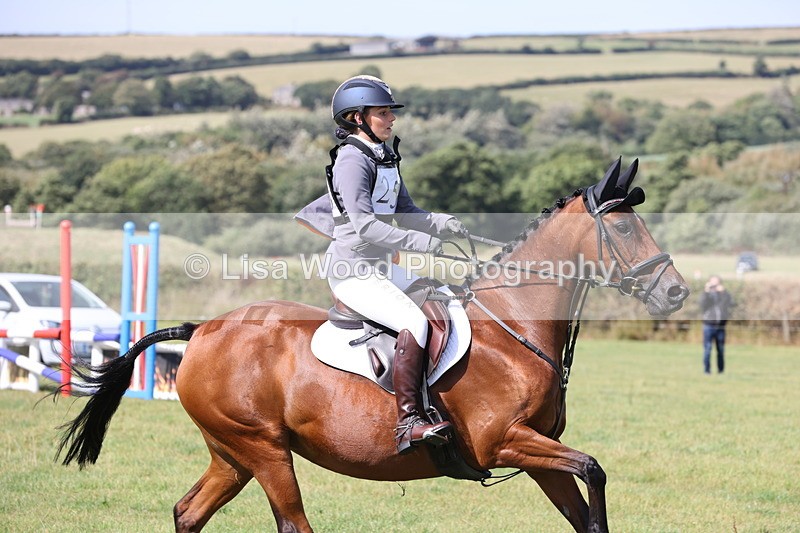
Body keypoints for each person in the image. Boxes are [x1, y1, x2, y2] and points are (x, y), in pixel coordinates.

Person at [311, 75, 467, 454]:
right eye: (382, 113)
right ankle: (409, 421)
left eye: (389, 113)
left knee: (445, 299)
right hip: (354, 270)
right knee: (413, 321)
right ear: (356, 117)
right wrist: (420, 242)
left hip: (383, 266)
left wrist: (440, 222)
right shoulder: (352, 160)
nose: (391, 120)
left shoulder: (385, 156)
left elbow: (406, 211)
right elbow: (364, 225)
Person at [700, 275, 734, 374]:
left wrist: (724, 292)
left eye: (717, 283)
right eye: (713, 283)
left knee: (721, 349)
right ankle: (707, 370)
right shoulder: (706, 295)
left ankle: (721, 371)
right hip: (708, 325)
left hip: (720, 326)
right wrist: (706, 291)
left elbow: (730, 303)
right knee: (708, 349)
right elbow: (702, 304)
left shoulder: (723, 295)